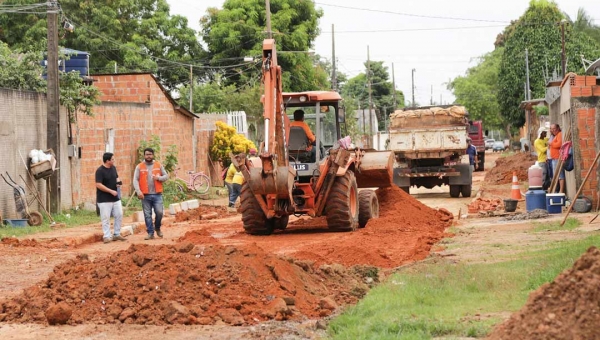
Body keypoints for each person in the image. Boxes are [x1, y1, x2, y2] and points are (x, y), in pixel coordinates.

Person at [133, 148, 169, 240]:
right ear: (144, 155)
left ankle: (157, 227)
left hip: (157, 194)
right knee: (147, 215)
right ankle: (150, 233)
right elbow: (135, 180)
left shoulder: (158, 165)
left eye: (150, 154)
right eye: (146, 154)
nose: (148, 156)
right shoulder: (139, 166)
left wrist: (158, 178)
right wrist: (138, 191)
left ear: (153, 155)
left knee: (159, 212)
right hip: (145, 195)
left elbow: (166, 176)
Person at [95, 152, 126, 244]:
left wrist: (119, 183)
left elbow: (116, 177)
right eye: (112, 159)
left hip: (115, 198)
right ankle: (107, 236)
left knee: (119, 214)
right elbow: (98, 184)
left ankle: (116, 234)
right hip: (104, 199)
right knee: (105, 218)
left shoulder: (113, 168)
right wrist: (110, 191)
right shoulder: (100, 171)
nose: (114, 160)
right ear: (107, 161)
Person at [549, 124, 565, 193]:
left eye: (554, 128)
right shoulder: (555, 136)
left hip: (558, 158)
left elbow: (559, 144)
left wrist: (551, 144)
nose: (553, 130)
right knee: (557, 176)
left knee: (560, 175)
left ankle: (561, 191)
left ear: (558, 128)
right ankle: (557, 190)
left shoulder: (559, 134)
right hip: (554, 158)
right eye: (551, 129)